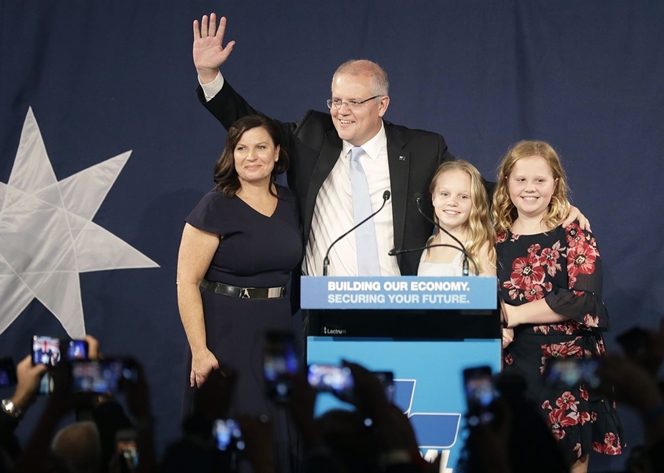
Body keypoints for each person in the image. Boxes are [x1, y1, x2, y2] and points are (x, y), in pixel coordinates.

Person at [192, 14, 589, 279]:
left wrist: (556, 206)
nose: (341, 112)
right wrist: (210, 76)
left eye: (353, 102)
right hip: (328, 301)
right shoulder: (310, 135)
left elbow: (481, 192)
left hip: (401, 299)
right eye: (336, 100)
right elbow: (250, 127)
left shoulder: (421, 148)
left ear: (382, 104)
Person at [176, 115, 302, 472]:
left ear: (277, 153)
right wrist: (200, 351)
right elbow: (186, 281)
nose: (251, 156)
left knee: (276, 428)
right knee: (232, 432)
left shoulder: (292, 201)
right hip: (225, 332)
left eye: (261, 147)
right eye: (241, 148)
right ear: (230, 155)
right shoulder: (215, 205)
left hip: (276, 333)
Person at [491, 140, 622, 473]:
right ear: (506, 182)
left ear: (555, 185)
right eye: (520, 179)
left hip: (568, 367)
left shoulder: (574, 232)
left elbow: (584, 301)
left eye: (540, 180)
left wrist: (515, 314)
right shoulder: (493, 238)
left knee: (570, 461)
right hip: (512, 365)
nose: (530, 188)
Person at [417, 160, 496, 277]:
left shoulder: (480, 248)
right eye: (445, 194)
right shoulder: (427, 244)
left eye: (463, 196)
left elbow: (485, 295)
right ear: (433, 197)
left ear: (475, 202)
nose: (452, 202)